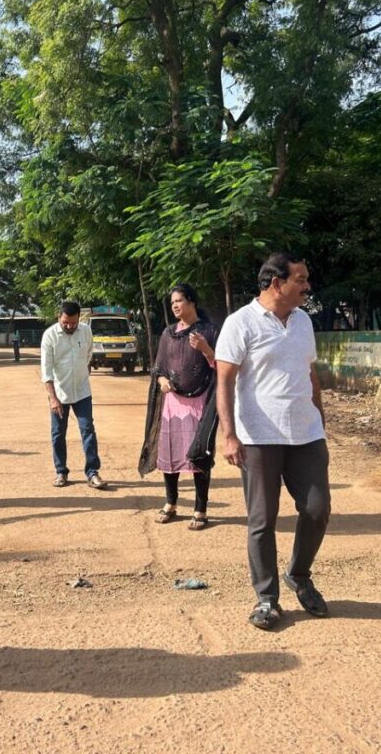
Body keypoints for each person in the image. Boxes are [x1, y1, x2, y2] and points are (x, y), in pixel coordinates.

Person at [215, 252, 331, 631]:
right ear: (276, 283)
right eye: (300, 279)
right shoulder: (241, 323)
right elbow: (225, 381)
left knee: (317, 509)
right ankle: (266, 598)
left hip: (306, 433)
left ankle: (298, 574)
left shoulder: (302, 322)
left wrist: (320, 417)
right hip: (259, 437)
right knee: (263, 521)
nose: (307, 286)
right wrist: (229, 434)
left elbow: (308, 372)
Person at [138, 284, 219, 530]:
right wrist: (162, 380)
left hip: (199, 401)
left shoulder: (209, 330)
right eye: (172, 301)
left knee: (198, 455)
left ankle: (200, 509)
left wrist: (205, 349)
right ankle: (171, 503)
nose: (175, 305)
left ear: (192, 301)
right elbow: (159, 368)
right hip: (172, 404)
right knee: (170, 453)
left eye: (179, 300)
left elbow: (221, 365)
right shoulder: (168, 333)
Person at [41, 301, 108, 489]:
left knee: (88, 430)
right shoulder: (49, 336)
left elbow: (87, 356)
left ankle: (92, 472)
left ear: (79, 318)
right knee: (58, 434)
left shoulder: (86, 331)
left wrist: (81, 375)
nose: (69, 326)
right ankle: (61, 472)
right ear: (59, 318)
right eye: (65, 323)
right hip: (59, 393)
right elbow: (46, 371)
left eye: (73, 322)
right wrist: (53, 399)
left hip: (82, 391)